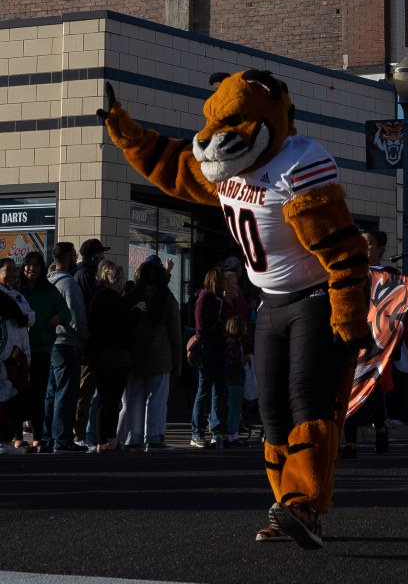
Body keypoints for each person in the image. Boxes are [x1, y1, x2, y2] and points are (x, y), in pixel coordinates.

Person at [98, 69, 370, 550]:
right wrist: (125, 131)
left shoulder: (297, 160)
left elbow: (343, 251)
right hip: (270, 302)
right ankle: (286, 503)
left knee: (308, 399)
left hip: (312, 299)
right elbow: (172, 165)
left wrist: (347, 315)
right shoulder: (226, 169)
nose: (221, 137)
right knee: (271, 412)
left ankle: (304, 504)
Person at [119, 256, 181, 451]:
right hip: (160, 355)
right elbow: (175, 334)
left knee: (134, 398)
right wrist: (177, 364)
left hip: (133, 355)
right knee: (156, 398)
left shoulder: (131, 295)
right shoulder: (167, 299)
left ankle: (133, 436)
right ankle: (153, 437)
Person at [340, 230, 391, 459]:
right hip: (354, 334)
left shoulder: (390, 274)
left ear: (380, 248)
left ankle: (380, 427)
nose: (364, 247)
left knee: (372, 384)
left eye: (369, 243)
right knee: (350, 385)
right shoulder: (353, 272)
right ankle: (350, 442)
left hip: (377, 337)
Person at [15, 251, 71, 452]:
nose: (32, 268)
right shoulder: (15, 290)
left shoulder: (49, 291)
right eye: (28, 264)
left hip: (41, 348)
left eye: (37, 265)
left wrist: (58, 318)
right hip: (17, 351)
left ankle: (39, 437)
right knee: (18, 392)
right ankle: (17, 436)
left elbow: (66, 311)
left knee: (39, 393)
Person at [88, 260, 143, 452]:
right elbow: (125, 326)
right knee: (113, 399)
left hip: (99, 353)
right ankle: (109, 438)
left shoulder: (97, 298)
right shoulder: (116, 301)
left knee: (104, 398)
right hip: (117, 354)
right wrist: (136, 310)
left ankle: (100, 439)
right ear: (115, 279)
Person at [45, 242, 90, 453]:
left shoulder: (47, 282)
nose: (76, 259)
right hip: (68, 343)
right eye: (74, 255)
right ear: (69, 257)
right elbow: (77, 318)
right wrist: (85, 339)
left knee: (51, 393)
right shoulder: (69, 284)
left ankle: (48, 437)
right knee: (66, 393)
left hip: (51, 343)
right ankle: (62, 439)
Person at [73, 237, 110, 449]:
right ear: (95, 256)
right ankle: (79, 434)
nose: (103, 258)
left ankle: (84, 432)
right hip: (89, 343)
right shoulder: (87, 275)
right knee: (85, 391)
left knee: (88, 392)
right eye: (101, 254)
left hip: (89, 342)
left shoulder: (83, 273)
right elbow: (94, 306)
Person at [190, 267, 229, 449]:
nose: (227, 283)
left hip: (219, 348)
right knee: (204, 390)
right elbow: (201, 328)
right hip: (208, 350)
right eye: (224, 279)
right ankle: (197, 431)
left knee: (218, 391)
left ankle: (216, 430)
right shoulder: (205, 298)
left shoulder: (219, 299)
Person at [0, 258, 35, 455]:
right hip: (3, 352)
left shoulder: (16, 294)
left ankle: (6, 440)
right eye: (8, 270)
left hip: (18, 353)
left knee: (14, 396)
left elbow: (30, 316)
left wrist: (21, 316)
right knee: (2, 395)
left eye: (15, 269)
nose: (13, 273)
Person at [223, 313, 250, 448]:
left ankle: (231, 433)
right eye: (245, 326)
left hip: (230, 380)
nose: (247, 329)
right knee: (235, 407)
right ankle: (232, 434)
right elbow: (234, 363)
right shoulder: (235, 345)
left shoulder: (230, 343)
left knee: (232, 407)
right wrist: (245, 360)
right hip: (235, 380)